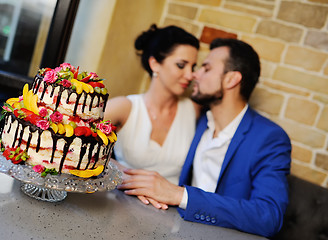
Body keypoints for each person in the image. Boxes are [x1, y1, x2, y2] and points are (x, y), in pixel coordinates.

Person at [118, 38, 292, 238]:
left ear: (231, 80)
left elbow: (269, 216)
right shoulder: (199, 121)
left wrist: (179, 195)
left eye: (206, 69)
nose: (195, 75)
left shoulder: (269, 138)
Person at [105, 24, 201, 208]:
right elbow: (78, 144)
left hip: (171, 213)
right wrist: (126, 174)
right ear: (154, 63)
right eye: (181, 65)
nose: (190, 75)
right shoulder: (125, 107)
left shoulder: (194, 111)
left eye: (193, 66)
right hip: (121, 205)